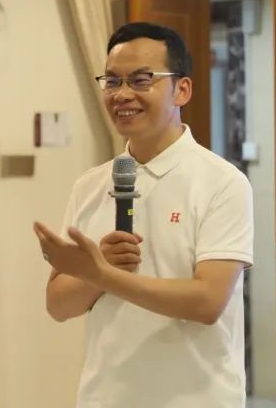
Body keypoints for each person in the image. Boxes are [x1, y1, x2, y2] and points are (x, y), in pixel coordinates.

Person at [34, 23, 254, 408]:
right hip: (105, 399)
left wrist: (103, 274)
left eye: (140, 80)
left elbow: (207, 302)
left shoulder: (222, 183)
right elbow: (58, 306)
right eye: (112, 81)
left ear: (182, 90)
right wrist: (97, 269)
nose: (122, 94)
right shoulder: (89, 186)